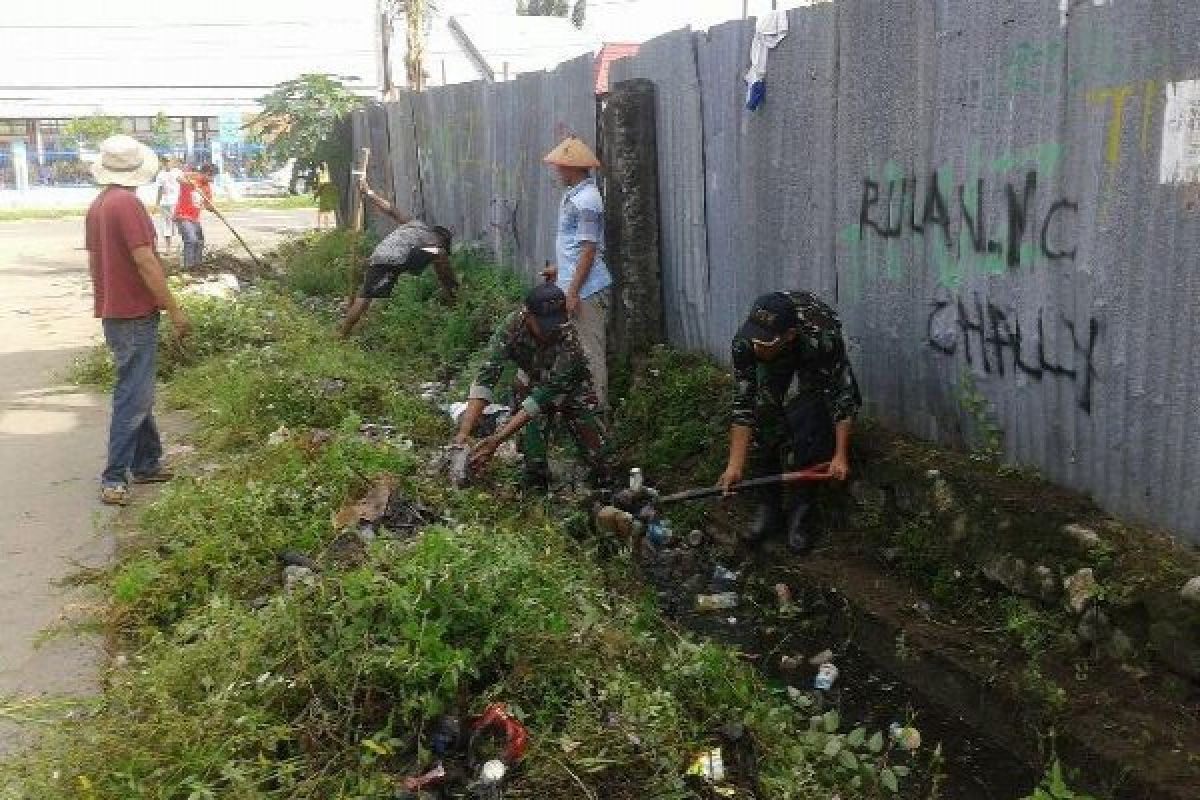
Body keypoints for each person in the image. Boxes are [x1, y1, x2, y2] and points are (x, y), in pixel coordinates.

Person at [85, 134, 191, 506]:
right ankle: (114, 476)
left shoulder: (99, 205)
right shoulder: (127, 204)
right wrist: (174, 308)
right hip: (133, 314)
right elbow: (145, 261)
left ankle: (147, 462)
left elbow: (97, 261)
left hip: (115, 312)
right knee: (134, 395)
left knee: (137, 388)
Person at [717, 291, 862, 553]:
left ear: (788, 336)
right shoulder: (746, 342)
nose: (757, 346)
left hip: (811, 351)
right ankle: (769, 508)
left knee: (812, 420)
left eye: (765, 341)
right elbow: (743, 404)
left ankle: (801, 510)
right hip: (781, 354)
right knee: (764, 410)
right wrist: (734, 467)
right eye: (755, 339)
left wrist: (841, 456)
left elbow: (844, 397)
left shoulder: (823, 339)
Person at [454, 282, 612, 492]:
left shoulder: (570, 339)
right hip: (534, 383)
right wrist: (464, 432)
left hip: (572, 389)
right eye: (544, 325)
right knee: (533, 457)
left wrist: (496, 440)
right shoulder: (512, 327)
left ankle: (606, 489)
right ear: (528, 315)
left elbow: (543, 396)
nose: (551, 331)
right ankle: (536, 487)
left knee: (599, 455)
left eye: (556, 323)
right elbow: (487, 376)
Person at [337, 178, 458, 338]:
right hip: (396, 258)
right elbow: (438, 255)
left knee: (364, 296)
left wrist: (369, 193)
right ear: (441, 238)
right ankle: (453, 296)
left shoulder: (415, 224)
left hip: (381, 255)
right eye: (442, 243)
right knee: (440, 255)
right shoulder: (435, 242)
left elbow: (391, 210)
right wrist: (447, 279)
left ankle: (342, 333)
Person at [541, 136, 611, 408]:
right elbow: (576, 247)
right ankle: (577, 414)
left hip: (587, 290)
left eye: (560, 166)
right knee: (571, 351)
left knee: (591, 353)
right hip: (575, 285)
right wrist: (559, 270)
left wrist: (572, 292)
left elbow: (589, 251)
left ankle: (599, 417)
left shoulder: (587, 201)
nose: (557, 171)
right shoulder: (576, 196)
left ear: (573, 168)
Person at [174, 163, 214, 269]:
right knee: (191, 240)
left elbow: (207, 205)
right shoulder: (193, 177)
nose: (212, 179)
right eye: (211, 176)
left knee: (200, 241)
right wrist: (190, 183)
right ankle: (188, 268)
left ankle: (197, 266)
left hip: (195, 219)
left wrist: (212, 208)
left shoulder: (207, 187)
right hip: (182, 216)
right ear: (206, 173)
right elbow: (178, 178)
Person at [153, 156, 182, 253]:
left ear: (172, 161)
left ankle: (182, 246)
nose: (167, 163)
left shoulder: (178, 172)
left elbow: (184, 185)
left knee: (180, 224)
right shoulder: (161, 174)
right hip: (165, 203)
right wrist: (157, 203)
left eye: (168, 161)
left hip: (177, 202)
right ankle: (168, 248)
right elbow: (160, 189)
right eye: (165, 161)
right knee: (167, 225)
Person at [314, 162, 338, 230]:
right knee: (325, 212)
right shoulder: (324, 175)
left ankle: (321, 226)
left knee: (323, 212)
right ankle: (323, 226)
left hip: (325, 194)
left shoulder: (322, 175)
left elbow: (320, 185)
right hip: (326, 194)